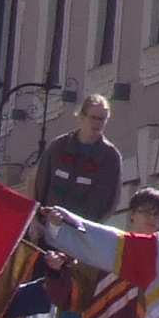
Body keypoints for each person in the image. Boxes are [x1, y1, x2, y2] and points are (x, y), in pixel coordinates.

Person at [38, 93, 125, 222]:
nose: (97, 123)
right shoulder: (59, 147)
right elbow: (39, 183)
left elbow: (112, 201)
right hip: (49, 224)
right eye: (93, 118)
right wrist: (37, 219)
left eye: (102, 119)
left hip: (83, 228)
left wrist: (93, 227)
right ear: (82, 116)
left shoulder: (110, 157)